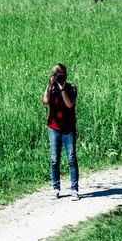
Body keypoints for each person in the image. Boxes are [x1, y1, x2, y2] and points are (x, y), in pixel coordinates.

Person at [42, 63, 79, 201]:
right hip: (53, 127)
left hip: (68, 128)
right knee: (54, 159)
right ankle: (55, 188)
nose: (60, 77)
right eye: (57, 75)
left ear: (66, 75)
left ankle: (74, 189)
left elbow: (69, 104)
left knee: (71, 158)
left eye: (62, 74)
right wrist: (50, 84)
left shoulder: (71, 88)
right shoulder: (51, 89)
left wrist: (62, 88)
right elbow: (45, 101)